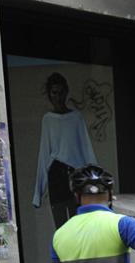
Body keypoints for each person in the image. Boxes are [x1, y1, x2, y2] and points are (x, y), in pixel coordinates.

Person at [33, 73, 99, 228]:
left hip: (75, 176)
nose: (57, 96)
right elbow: (44, 155)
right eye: (54, 92)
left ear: (66, 92)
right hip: (56, 175)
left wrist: (96, 179)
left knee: (79, 223)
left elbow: (86, 147)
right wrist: (38, 193)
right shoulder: (48, 119)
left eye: (61, 92)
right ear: (49, 94)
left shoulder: (76, 117)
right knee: (61, 226)